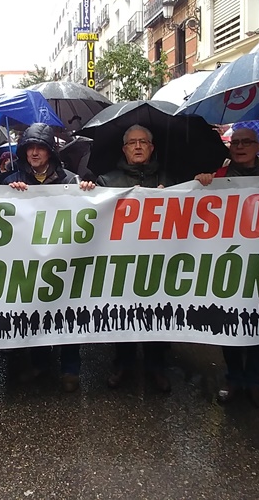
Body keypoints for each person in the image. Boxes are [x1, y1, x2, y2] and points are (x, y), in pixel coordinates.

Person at [195, 127, 259, 409]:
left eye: (246, 142)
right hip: (229, 260)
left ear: (258, 147)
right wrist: (201, 183)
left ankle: (255, 382)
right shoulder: (217, 179)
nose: (240, 147)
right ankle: (234, 379)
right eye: (235, 142)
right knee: (229, 320)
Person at [4, 123, 95, 392]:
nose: (34, 153)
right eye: (29, 148)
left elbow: (89, 206)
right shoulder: (15, 179)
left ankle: (70, 369)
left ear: (50, 153)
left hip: (64, 260)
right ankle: (40, 363)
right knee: (35, 312)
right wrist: (9, 190)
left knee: (67, 311)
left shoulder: (71, 180)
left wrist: (87, 190)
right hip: (30, 261)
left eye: (39, 148)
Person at [96, 125, 173, 393]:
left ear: (152, 148)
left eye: (143, 142)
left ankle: (156, 367)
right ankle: (123, 364)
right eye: (132, 143)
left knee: (155, 314)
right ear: (124, 149)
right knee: (123, 313)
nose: (138, 146)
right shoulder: (106, 182)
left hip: (159, 262)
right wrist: (87, 191)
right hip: (123, 262)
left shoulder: (171, 180)